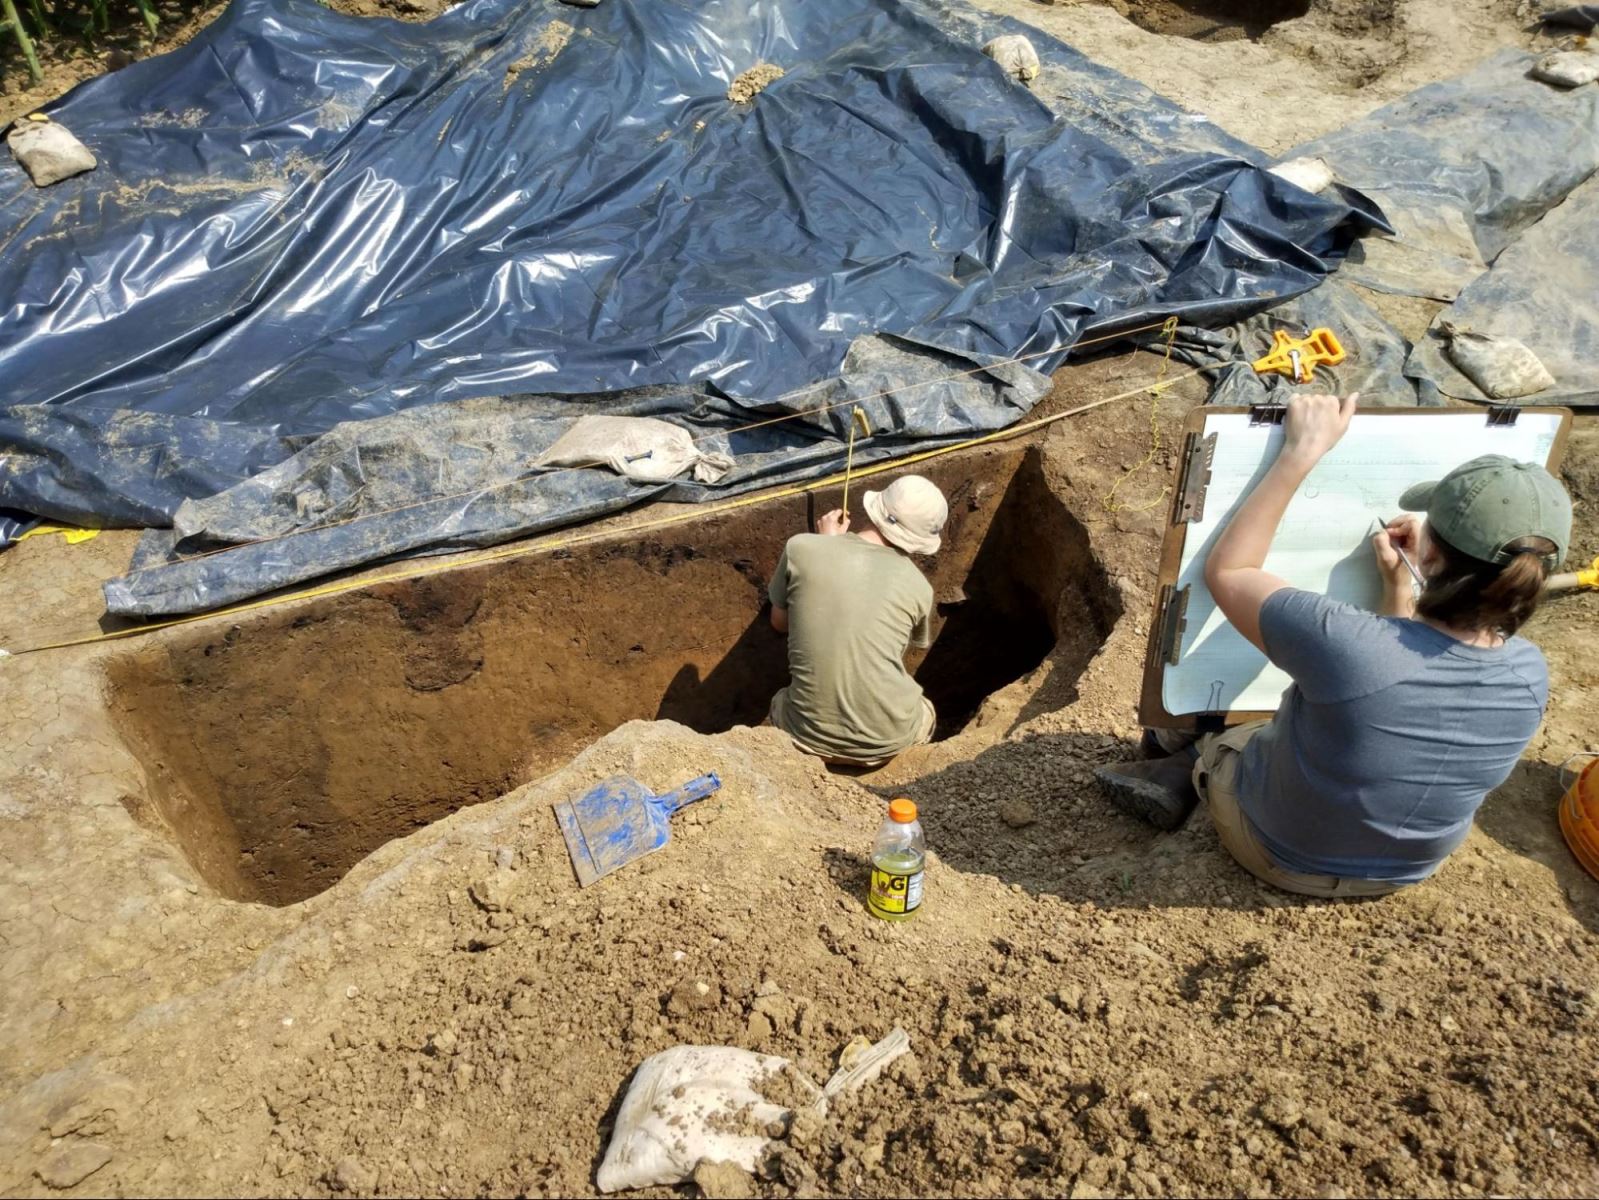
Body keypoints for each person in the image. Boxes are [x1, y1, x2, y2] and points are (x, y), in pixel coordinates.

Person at [1097, 393, 1572, 897]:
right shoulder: (1530, 672)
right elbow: (1403, 673)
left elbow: (1230, 571)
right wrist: (1398, 589)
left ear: (1430, 552)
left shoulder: (1345, 642)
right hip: (1400, 876)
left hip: (1278, 853)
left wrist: (1302, 452)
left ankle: (1182, 762)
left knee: (1237, 719)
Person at [767, 474, 949, 767]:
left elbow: (780, 623)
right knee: (924, 708)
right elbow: (900, 645)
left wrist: (826, 547)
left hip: (806, 738)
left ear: (875, 508)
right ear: (919, 541)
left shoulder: (801, 548)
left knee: (780, 700)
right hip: (886, 744)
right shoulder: (919, 588)